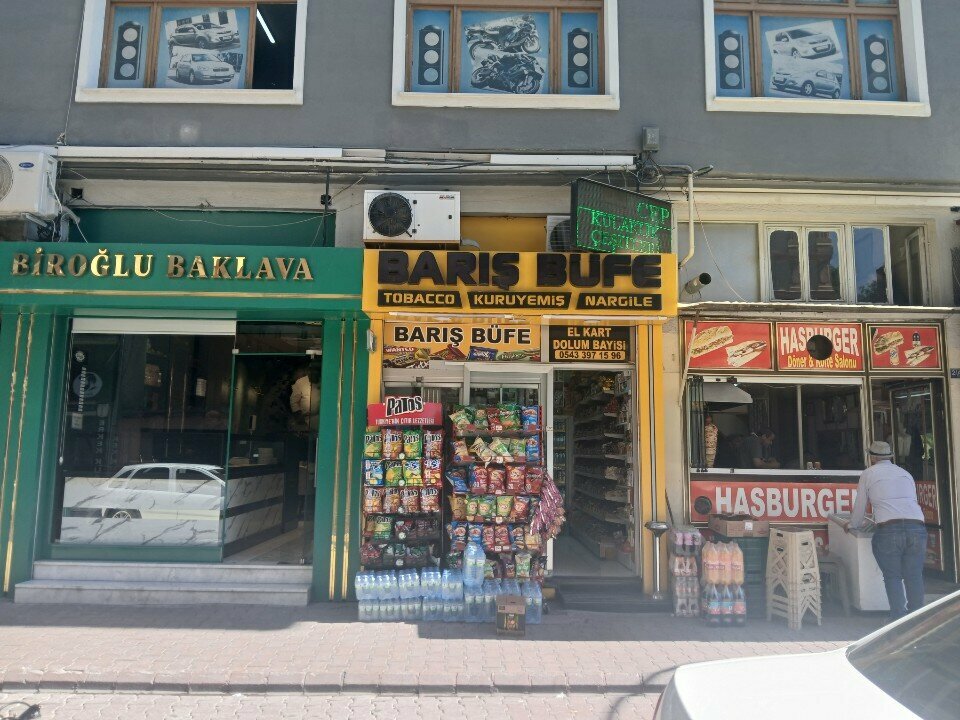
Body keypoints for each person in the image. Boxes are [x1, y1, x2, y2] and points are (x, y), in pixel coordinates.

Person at [845, 440, 926, 620]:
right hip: (916, 527)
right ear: (889, 456)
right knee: (914, 576)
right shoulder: (905, 474)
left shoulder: (868, 474)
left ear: (872, 457)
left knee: (893, 576)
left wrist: (852, 525)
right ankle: (918, 621)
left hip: (890, 529)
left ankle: (898, 620)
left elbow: (860, 507)